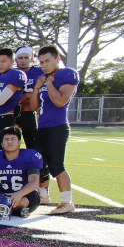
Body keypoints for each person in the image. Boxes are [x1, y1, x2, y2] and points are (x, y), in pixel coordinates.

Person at [29, 44, 79, 214]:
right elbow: (33, 107)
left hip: (57, 127)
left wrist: (49, 83)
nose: (44, 65)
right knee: (39, 164)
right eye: (41, 62)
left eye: (48, 61)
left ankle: (66, 202)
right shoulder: (42, 77)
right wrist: (37, 87)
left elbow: (59, 101)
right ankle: (44, 196)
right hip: (42, 127)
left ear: (57, 59)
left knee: (56, 165)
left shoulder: (66, 74)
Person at [0, 126, 42, 217]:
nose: (9, 142)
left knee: (34, 197)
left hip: (22, 193)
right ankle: (14, 209)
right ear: (2, 143)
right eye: (6, 139)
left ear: (19, 142)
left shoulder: (29, 157)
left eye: (13, 139)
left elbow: (34, 182)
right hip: (1, 193)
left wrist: (19, 194)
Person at [15, 47, 43, 149]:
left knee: (33, 145)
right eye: (20, 58)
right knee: (10, 143)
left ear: (32, 59)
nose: (23, 60)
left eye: (26, 57)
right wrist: (26, 96)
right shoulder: (11, 73)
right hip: (13, 114)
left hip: (30, 113)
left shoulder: (40, 72)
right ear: (16, 60)